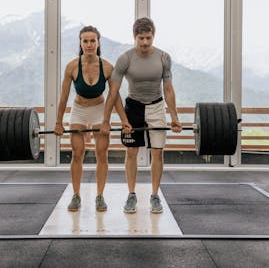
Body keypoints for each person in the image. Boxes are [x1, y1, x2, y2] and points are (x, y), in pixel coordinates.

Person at [101, 17, 182, 214]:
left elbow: (169, 89)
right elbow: (113, 92)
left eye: (148, 38)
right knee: (131, 152)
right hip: (133, 107)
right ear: (134, 37)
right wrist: (109, 120)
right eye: (141, 38)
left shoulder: (164, 57)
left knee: (157, 153)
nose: (145, 42)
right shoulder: (125, 59)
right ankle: (131, 194)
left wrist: (175, 117)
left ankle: (155, 195)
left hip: (156, 106)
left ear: (153, 36)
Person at [54, 25, 129, 212]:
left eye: (92, 41)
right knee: (77, 153)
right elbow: (63, 97)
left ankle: (100, 196)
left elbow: (115, 97)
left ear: (98, 42)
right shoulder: (72, 66)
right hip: (79, 109)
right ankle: (76, 195)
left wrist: (123, 121)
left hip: (99, 109)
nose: (89, 44)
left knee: (101, 154)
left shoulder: (107, 67)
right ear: (80, 43)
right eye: (85, 41)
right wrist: (58, 122)